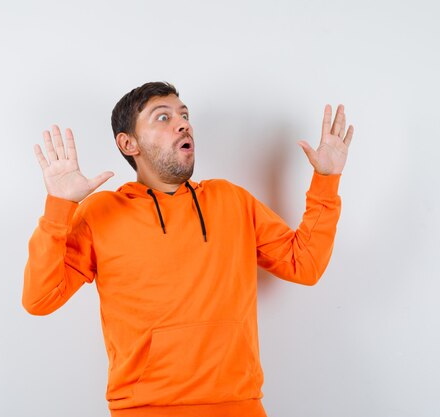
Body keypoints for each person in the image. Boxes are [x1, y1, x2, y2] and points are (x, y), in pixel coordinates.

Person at [23, 81, 354, 417]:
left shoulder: (232, 201)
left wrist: (327, 179)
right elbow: (39, 299)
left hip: (240, 407)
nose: (183, 123)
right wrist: (59, 206)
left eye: (184, 115)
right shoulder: (101, 213)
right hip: (145, 410)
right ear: (128, 143)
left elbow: (305, 264)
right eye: (162, 117)